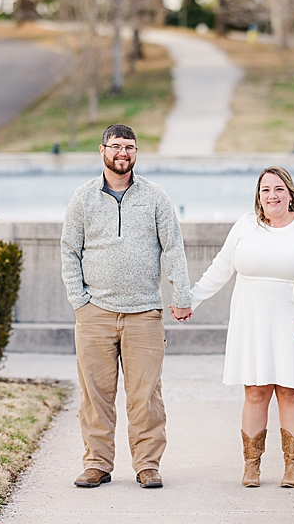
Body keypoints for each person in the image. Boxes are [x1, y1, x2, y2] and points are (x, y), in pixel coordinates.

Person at [61, 124, 193, 490]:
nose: (123, 152)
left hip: (144, 314)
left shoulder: (155, 197)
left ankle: (147, 465)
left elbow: (173, 249)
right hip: (95, 313)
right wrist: (80, 302)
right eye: (116, 146)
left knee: (146, 396)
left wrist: (180, 296)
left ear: (136, 152)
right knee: (95, 396)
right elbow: (70, 251)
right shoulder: (83, 198)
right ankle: (97, 464)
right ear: (101, 150)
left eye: (129, 147)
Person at [188, 166, 294, 488]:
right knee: (255, 391)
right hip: (252, 320)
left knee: (291, 392)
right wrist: (191, 299)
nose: (272, 196)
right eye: (266, 190)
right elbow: (220, 268)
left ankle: (292, 466)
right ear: (258, 196)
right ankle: (252, 466)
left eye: (279, 189)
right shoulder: (244, 226)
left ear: (291, 193)